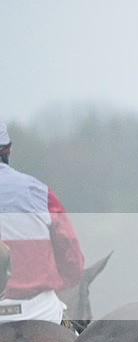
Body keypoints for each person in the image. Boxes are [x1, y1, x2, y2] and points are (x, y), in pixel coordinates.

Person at [0, 120, 85, 324]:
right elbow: (73, 263)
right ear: (8, 150)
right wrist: (59, 281)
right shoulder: (38, 192)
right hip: (39, 312)